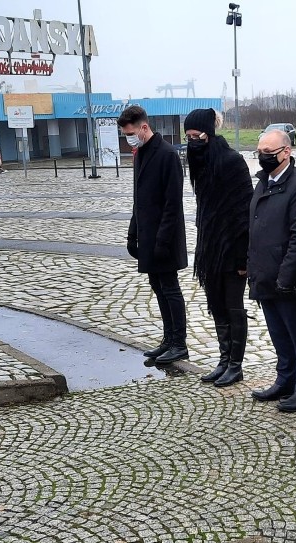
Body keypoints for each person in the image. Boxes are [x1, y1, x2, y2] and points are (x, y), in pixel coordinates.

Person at [248, 130, 296, 413]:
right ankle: (285, 379)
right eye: (259, 151)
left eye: (269, 151)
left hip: (288, 278)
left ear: (286, 152)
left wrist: (286, 277)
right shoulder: (262, 183)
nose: (263, 156)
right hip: (264, 274)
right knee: (278, 334)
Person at [184, 108, 253, 387]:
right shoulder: (201, 163)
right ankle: (224, 360)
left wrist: (242, 258)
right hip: (210, 248)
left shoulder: (232, 161)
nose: (191, 141)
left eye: (195, 135)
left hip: (233, 248)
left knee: (234, 306)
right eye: (187, 136)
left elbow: (243, 213)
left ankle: (236, 365)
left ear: (208, 134)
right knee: (217, 305)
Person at [120, 105, 188, 364]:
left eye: (131, 133)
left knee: (170, 288)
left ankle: (179, 343)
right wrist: (132, 233)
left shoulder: (167, 155)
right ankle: (168, 339)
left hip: (165, 238)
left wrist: (162, 240)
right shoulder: (140, 155)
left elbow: (173, 204)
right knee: (157, 286)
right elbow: (138, 199)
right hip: (147, 236)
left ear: (144, 127)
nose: (129, 139)